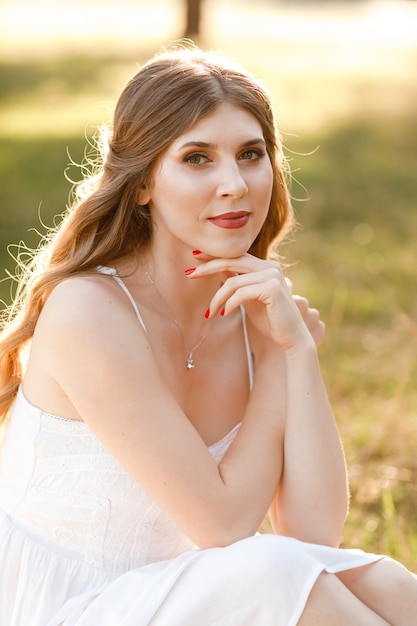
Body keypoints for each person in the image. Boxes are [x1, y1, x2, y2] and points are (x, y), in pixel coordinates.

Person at [0, 44, 415, 626]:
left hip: (177, 595)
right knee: (270, 575)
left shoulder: (259, 313)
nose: (235, 184)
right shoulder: (89, 311)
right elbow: (222, 527)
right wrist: (276, 363)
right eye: (197, 158)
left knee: (384, 580)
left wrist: (293, 352)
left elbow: (314, 533)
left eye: (251, 154)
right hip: (56, 606)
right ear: (143, 184)